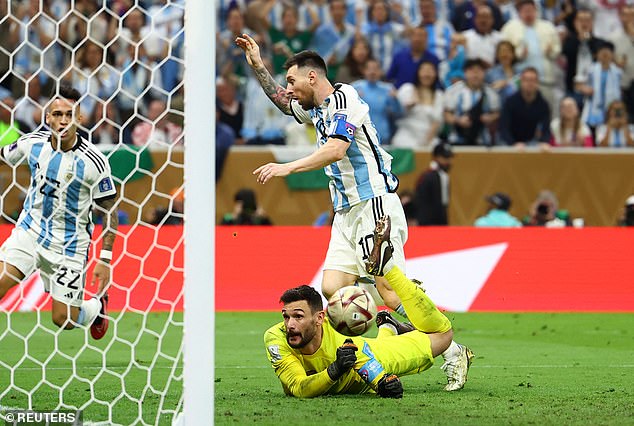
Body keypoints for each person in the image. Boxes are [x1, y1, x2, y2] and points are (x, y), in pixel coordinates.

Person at [235, 34, 407, 313]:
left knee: (389, 288)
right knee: (333, 287)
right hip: (346, 211)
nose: (288, 89)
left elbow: (336, 149)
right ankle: (388, 321)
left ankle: (448, 346)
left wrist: (287, 167)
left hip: (372, 202)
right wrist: (257, 65)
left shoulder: (345, 99)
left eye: (292, 81)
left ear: (312, 77)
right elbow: (283, 103)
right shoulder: (316, 111)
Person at [264, 216, 474, 397]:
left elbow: (365, 358)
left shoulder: (337, 330)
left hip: (375, 356)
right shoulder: (276, 338)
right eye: (286, 316)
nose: (289, 324)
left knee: (442, 334)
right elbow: (298, 388)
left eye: (298, 316)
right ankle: (388, 327)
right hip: (345, 215)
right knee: (331, 287)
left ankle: (388, 268)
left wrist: (382, 381)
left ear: (320, 318)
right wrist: (335, 369)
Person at [0, 84, 117, 339]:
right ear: (47, 118)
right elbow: (3, 155)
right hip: (30, 231)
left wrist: (105, 259)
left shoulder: (94, 162)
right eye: (57, 114)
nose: (63, 120)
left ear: (79, 118)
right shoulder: (32, 144)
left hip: (70, 245)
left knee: (64, 320)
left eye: (69, 114)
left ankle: (96, 307)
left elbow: (109, 211)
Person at [498, 67, 551, 147]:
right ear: (521, 82)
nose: (529, 83)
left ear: (537, 83)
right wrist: (513, 144)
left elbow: (546, 129)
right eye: (526, 80)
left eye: (533, 80)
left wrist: (544, 142)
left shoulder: (543, 104)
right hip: (510, 142)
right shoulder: (510, 102)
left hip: (532, 142)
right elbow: (504, 128)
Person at [414, 142, 453, 226]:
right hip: (429, 223)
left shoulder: (443, 176)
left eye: (450, 158)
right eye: (445, 158)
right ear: (436, 157)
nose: (449, 161)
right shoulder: (428, 176)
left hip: (440, 220)